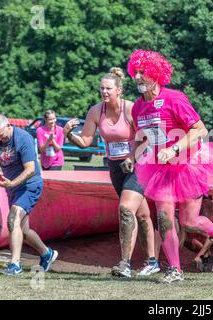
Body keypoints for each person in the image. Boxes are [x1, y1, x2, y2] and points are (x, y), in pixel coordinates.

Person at [127, 49, 213, 283]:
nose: (137, 77)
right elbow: (143, 137)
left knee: (188, 221)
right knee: (164, 218)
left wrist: (174, 149)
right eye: (136, 72)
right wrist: (133, 156)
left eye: (143, 72)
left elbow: (200, 130)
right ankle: (175, 270)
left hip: (188, 166)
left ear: (155, 74)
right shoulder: (138, 107)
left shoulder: (174, 98)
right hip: (160, 169)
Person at [63, 67, 158, 278]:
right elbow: (85, 141)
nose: (104, 92)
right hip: (116, 167)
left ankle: (125, 264)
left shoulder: (131, 109)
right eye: (102, 88)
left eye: (108, 88)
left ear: (119, 90)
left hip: (139, 164)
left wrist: (131, 157)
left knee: (125, 208)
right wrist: (69, 135)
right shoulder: (96, 111)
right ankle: (152, 261)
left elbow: (147, 138)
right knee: (141, 215)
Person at [0, 114, 58, 275]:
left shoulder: (23, 138)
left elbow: (30, 169)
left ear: (9, 125)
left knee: (13, 218)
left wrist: (12, 183)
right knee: (23, 230)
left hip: (29, 186)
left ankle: (15, 265)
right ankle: (47, 253)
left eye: (1, 136)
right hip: (12, 188)